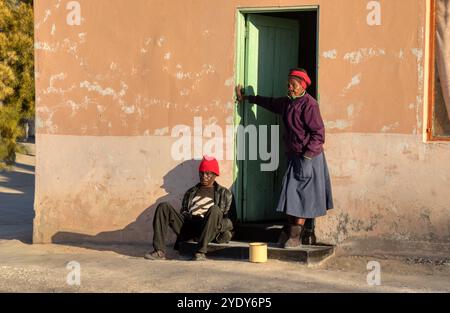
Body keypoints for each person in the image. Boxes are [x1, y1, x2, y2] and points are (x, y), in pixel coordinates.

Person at [236, 68, 333, 249]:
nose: (289, 87)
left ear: (302, 85)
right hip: (293, 156)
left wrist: (307, 155)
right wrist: (249, 98)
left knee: (302, 197)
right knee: (289, 195)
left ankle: (295, 237)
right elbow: (271, 103)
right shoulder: (288, 103)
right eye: (288, 84)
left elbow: (318, 134)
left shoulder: (309, 105)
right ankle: (290, 231)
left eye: (293, 85)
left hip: (308, 158)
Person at [144, 156, 234, 261]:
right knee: (163, 206)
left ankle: (201, 252)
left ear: (215, 174)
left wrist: (216, 225)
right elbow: (184, 211)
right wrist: (189, 217)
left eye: (208, 173)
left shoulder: (225, 193)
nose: (204, 176)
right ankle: (159, 251)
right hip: (189, 226)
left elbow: (229, 220)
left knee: (214, 209)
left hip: (209, 227)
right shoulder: (191, 192)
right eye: (201, 173)